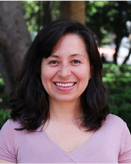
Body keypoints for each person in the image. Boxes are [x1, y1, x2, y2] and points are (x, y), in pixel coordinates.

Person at [0, 19, 131, 164]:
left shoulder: (117, 130)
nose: (64, 73)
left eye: (75, 61)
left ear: (91, 70)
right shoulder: (13, 131)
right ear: (39, 69)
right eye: (53, 62)